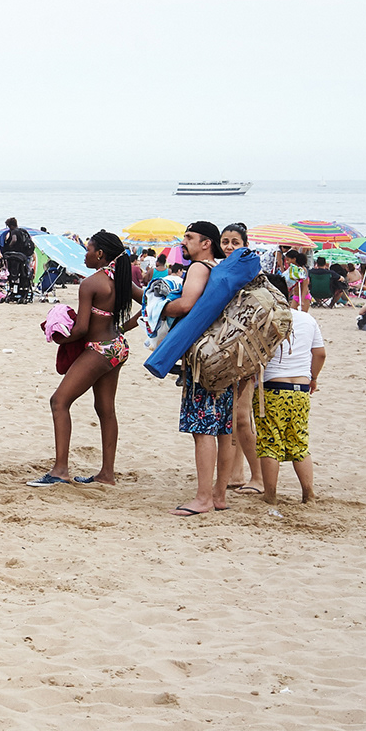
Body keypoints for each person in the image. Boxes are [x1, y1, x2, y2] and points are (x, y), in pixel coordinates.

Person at [29, 231, 136, 488]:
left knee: (59, 401)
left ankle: (60, 470)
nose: (84, 254)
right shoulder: (120, 280)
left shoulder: (90, 284)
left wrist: (58, 338)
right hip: (117, 346)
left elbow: (80, 329)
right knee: (106, 409)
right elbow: (154, 305)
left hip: (99, 349)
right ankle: (106, 474)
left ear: (100, 254)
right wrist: (124, 327)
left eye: (88, 249)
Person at [161, 221, 231, 516]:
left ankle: (202, 499)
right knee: (223, 430)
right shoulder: (222, 268)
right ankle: (218, 495)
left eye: (189, 237)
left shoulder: (200, 268)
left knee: (202, 430)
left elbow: (187, 305)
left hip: (204, 359)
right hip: (225, 356)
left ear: (206, 243)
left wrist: (160, 307)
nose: (183, 242)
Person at [256, 273, 324, 505]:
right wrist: (313, 377)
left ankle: (270, 495)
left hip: (273, 388)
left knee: (270, 442)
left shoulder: (263, 318)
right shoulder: (307, 319)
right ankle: (309, 494)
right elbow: (320, 354)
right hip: (301, 389)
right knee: (299, 442)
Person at [216, 224, 264, 496]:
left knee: (242, 417)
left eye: (235, 242)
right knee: (229, 418)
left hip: (247, 354)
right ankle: (236, 474)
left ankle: (257, 477)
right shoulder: (222, 271)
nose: (229, 247)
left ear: (245, 244)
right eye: (225, 241)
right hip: (224, 353)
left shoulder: (251, 273)